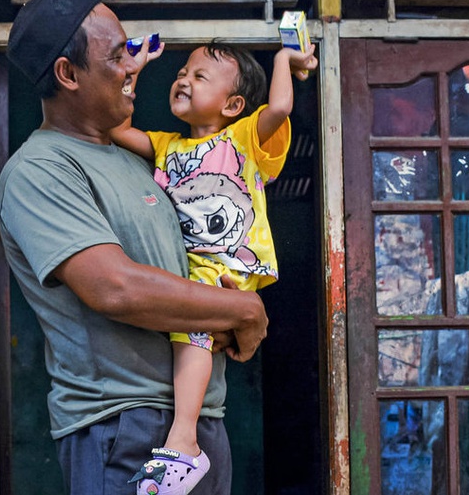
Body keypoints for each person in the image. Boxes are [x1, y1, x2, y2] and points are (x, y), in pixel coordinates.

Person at [0, 0, 269, 495]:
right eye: (118, 55)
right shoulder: (41, 170)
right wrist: (242, 312)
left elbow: (187, 277)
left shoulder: (142, 164)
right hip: (126, 429)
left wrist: (228, 312)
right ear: (66, 74)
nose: (132, 66)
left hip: (201, 422)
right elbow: (114, 287)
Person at [111, 39, 317, 493]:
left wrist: (283, 58)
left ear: (234, 104)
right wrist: (135, 69)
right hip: (191, 266)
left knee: (192, 334)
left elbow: (280, 106)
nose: (183, 78)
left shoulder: (242, 136)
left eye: (199, 76)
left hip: (225, 261)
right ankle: (184, 442)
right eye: (183, 71)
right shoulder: (167, 145)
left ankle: (184, 442)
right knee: (190, 333)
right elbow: (118, 128)